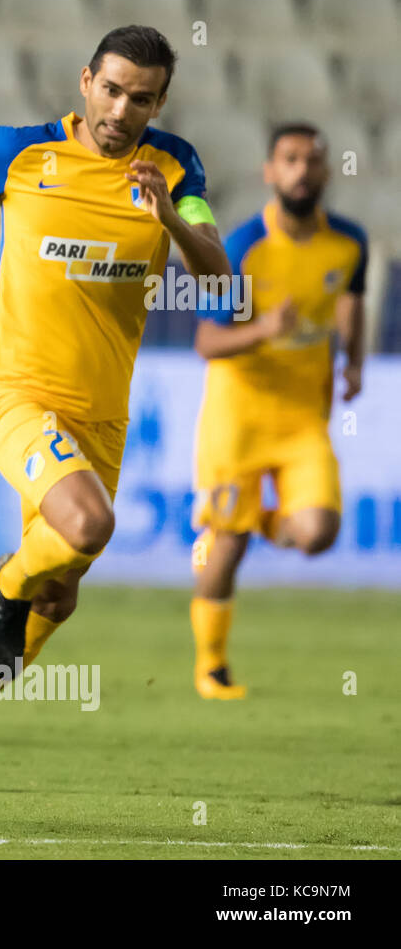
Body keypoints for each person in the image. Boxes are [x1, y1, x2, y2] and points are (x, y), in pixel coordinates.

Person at [0, 25, 229, 790]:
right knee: (86, 527)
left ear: (160, 101)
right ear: (86, 82)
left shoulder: (176, 166)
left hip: (101, 414)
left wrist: (171, 218)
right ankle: (3, 586)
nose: (121, 109)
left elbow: (217, 274)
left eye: (140, 98)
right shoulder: (21, 152)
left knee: (62, 592)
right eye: (111, 90)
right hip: (15, 394)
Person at [190, 122, 367, 699]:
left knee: (318, 532)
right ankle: (212, 668)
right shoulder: (245, 248)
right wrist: (264, 328)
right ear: (270, 171)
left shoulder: (349, 243)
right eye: (289, 159)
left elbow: (352, 301)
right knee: (228, 547)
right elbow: (208, 343)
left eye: (313, 160)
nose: (302, 170)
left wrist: (354, 362)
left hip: (301, 419)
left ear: (325, 171)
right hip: (237, 417)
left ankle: (256, 520)